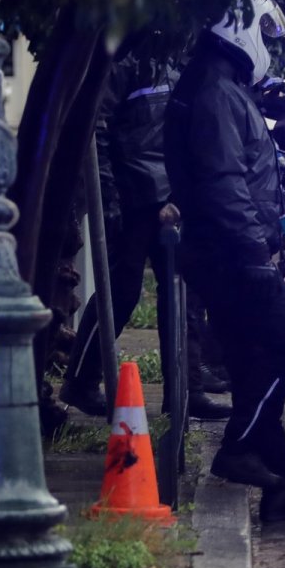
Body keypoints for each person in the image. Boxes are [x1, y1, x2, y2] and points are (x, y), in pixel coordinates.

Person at [164, 0, 285, 522]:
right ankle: (237, 446)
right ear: (240, 27)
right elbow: (223, 183)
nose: (265, 45)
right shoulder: (215, 92)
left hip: (220, 252)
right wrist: (252, 254)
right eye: (262, 32)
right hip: (230, 255)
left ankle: (283, 488)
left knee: (251, 369)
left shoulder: (219, 84)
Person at [61, 45, 232, 421]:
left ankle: (185, 393)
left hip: (169, 194)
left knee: (181, 297)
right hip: (132, 195)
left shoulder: (179, 59)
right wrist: (110, 197)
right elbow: (97, 128)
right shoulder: (126, 61)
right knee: (121, 293)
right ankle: (81, 381)